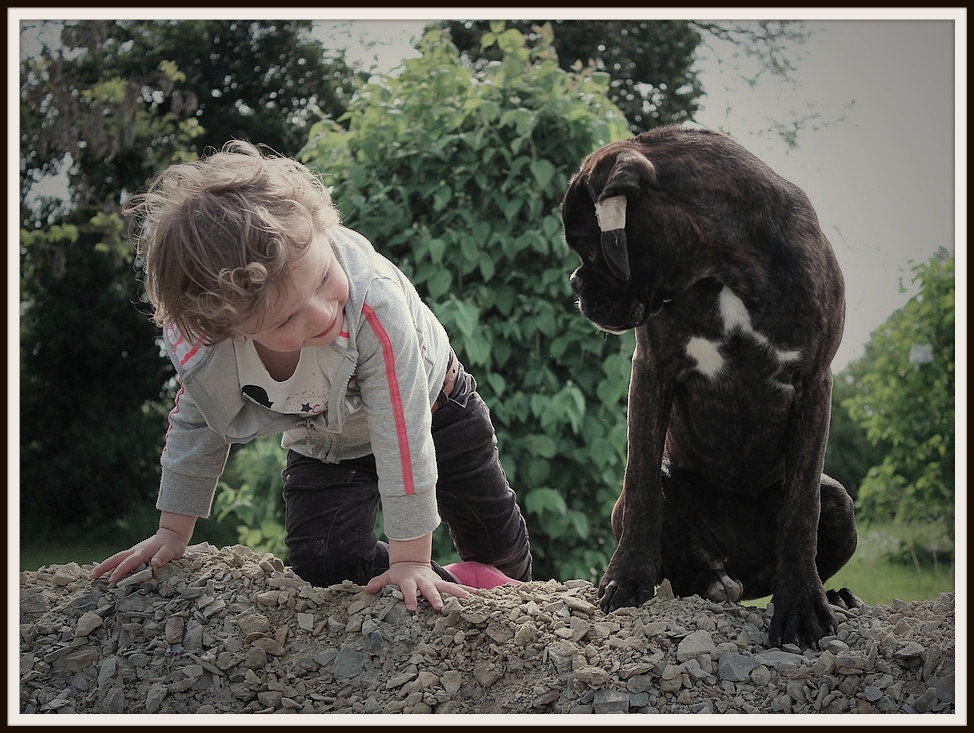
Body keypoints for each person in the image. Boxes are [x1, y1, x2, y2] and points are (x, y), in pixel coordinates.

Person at [91, 141, 533, 611]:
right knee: (322, 562)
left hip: (434, 406)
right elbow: (198, 422)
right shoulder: (209, 349)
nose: (323, 313)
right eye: (285, 321)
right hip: (326, 441)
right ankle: (454, 583)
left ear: (324, 232)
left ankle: (497, 586)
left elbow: (402, 432)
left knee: (495, 543)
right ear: (228, 330)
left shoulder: (372, 305)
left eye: (323, 279)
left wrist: (410, 558)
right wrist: (171, 530)